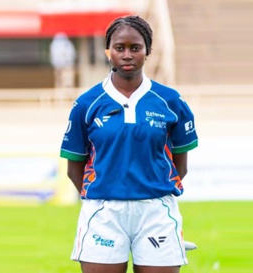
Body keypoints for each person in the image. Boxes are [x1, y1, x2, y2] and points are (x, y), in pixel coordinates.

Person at [60, 15, 198, 273]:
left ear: (147, 52)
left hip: (156, 210)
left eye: (135, 48)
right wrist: (104, 192)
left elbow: (180, 163)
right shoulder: (87, 104)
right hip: (103, 212)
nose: (127, 54)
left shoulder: (170, 101)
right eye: (119, 48)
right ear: (107, 51)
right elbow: (73, 167)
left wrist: (152, 187)